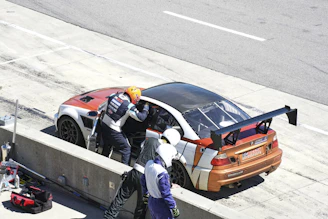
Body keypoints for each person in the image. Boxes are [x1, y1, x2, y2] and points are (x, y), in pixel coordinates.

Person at [103, 128, 181, 219]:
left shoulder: (150, 140)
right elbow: (164, 176)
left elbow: (140, 150)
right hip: (145, 179)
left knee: (119, 199)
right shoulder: (165, 151)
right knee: (141, 207)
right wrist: (171, 185)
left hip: (134, 172)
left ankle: (108, 217)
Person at [101, 86, 149, 165]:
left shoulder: (113, 96)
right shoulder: (128, 106)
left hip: (104, 124)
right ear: (134, 97)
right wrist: (146, 108)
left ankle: (102, 162)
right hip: (114, 130)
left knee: (107, 145)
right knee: (126, 148)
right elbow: (141, 117)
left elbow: (104, 109)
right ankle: (124, 169)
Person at [141, 144, 181, 219]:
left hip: (151, 201)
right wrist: (174, 207)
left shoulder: (149, 164)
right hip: (160, 204)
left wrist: (145, 193)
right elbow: (165, 193)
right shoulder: (162, 172)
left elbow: (143, 180)